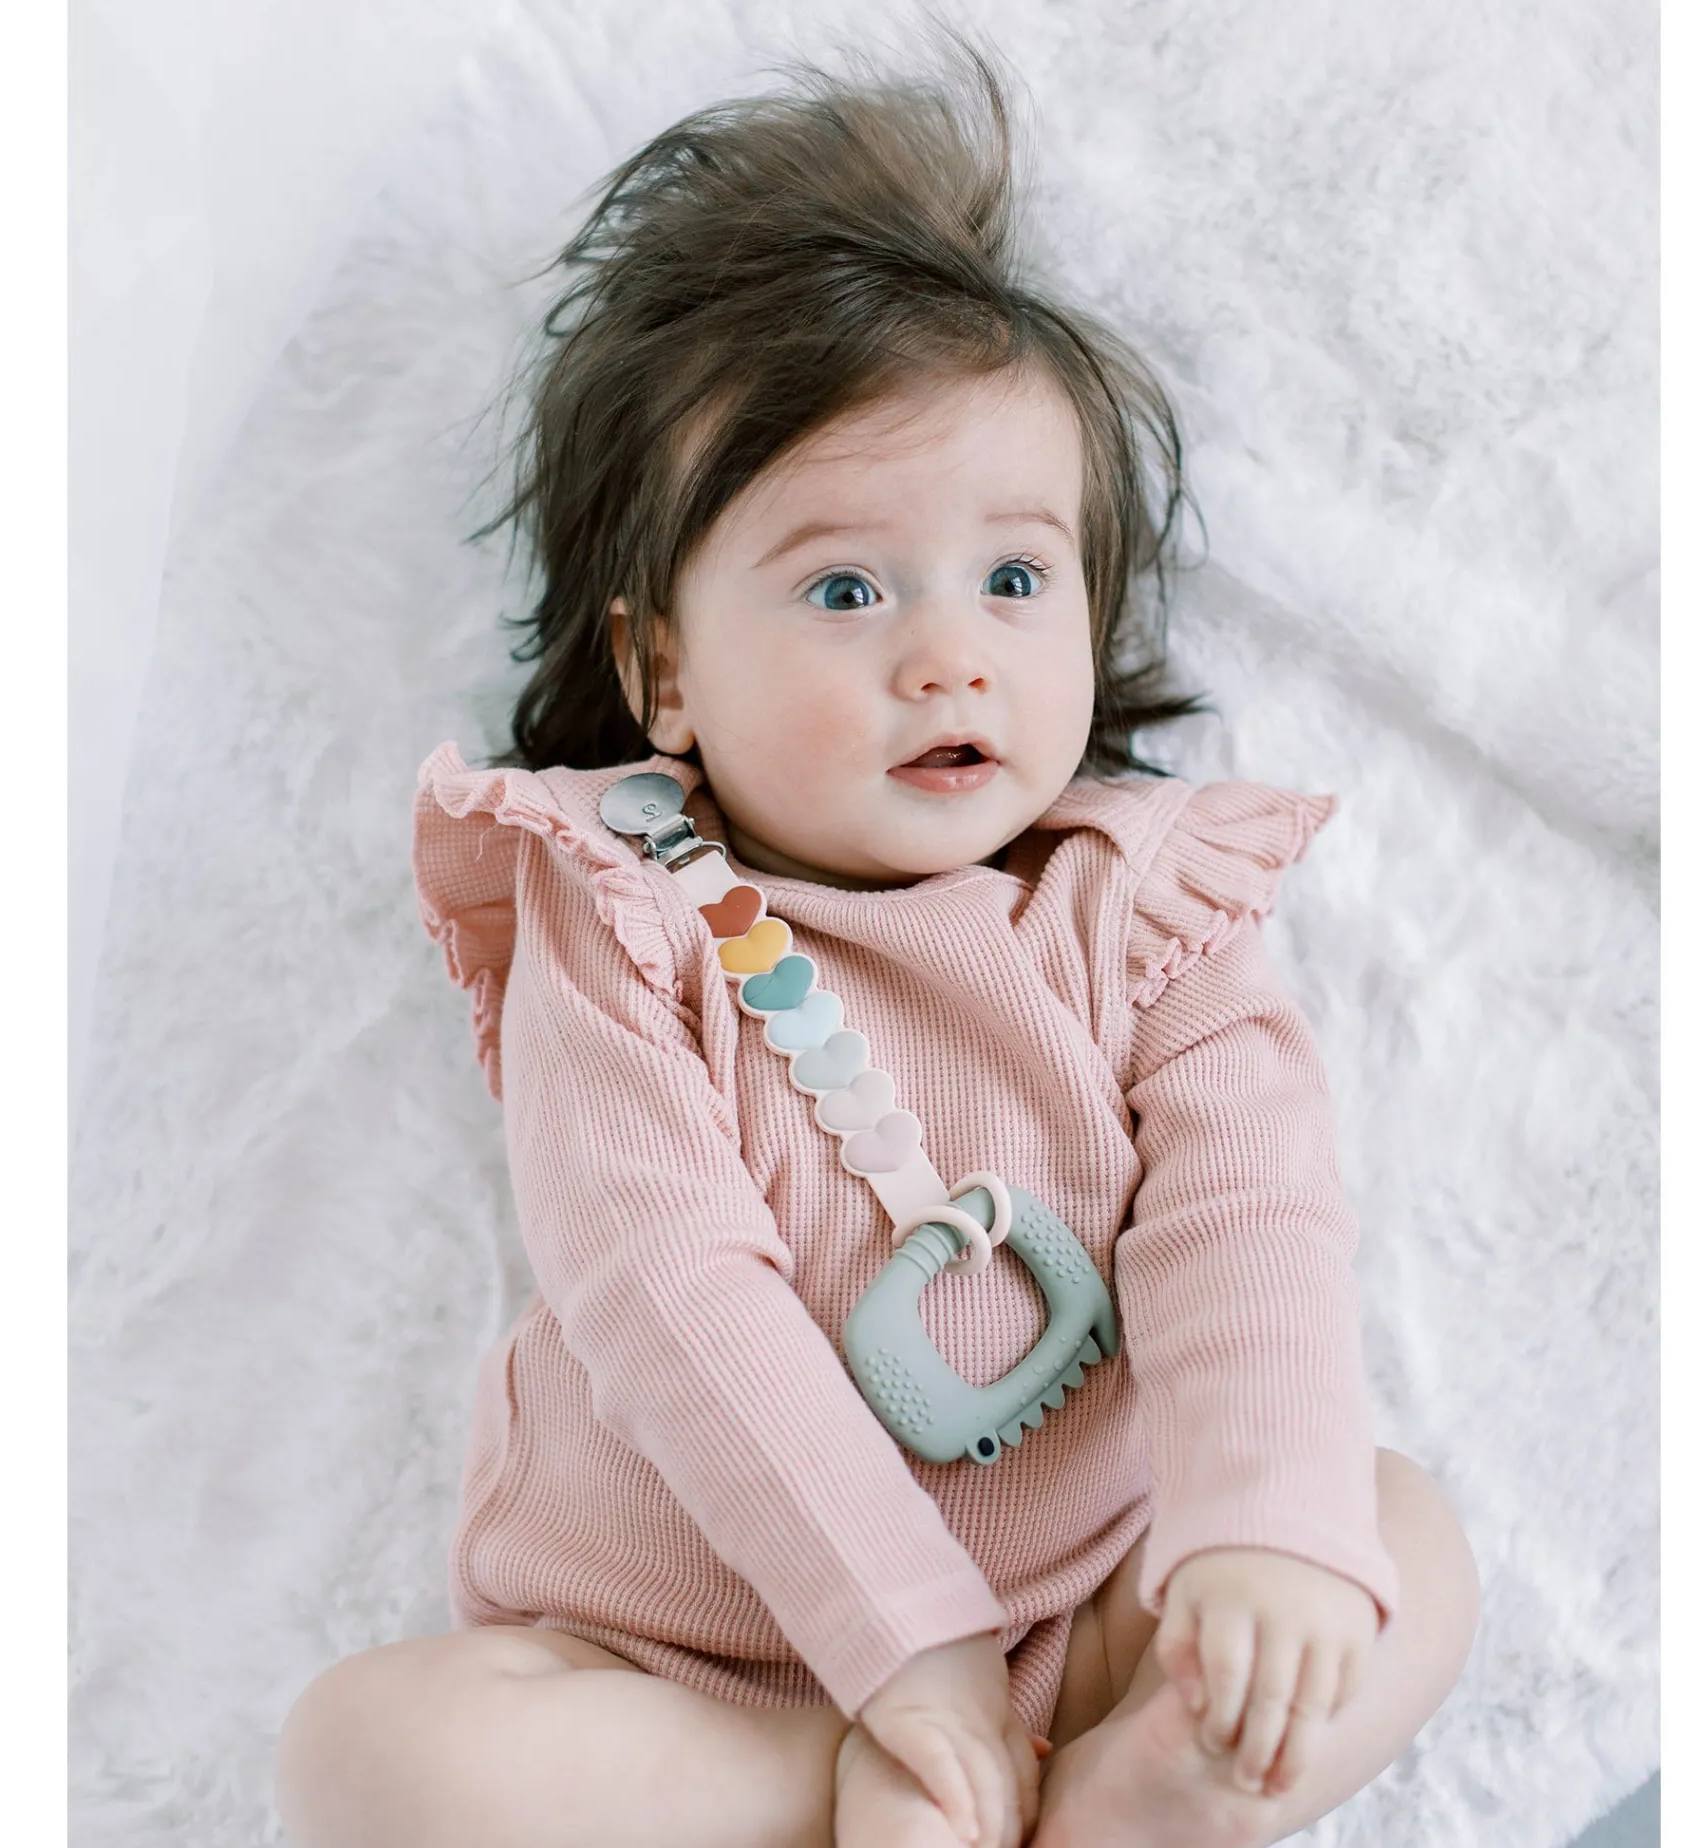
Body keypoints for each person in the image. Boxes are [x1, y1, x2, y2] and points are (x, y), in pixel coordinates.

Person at [277, 43, 1478, 1848]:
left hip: (1084, 1616)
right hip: (691, 1663)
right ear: (663, 669)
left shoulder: (1150, 907)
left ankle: (1120, 1798)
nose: (949, 655)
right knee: (371, 1753)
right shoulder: (620, 912)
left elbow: (1252, 1225)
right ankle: (856, 1796)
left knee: (1393, 1538)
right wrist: (905, 1656)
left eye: (1016, 579)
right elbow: (665, 1290)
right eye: (847, 589)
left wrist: (1260, 1534)